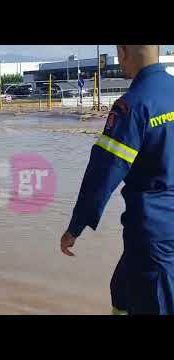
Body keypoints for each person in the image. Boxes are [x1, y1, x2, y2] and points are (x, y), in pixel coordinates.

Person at [60, 45, 174, 315]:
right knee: (120, 289)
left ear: (123, 52)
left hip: (155, 232)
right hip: (160, 233)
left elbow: (103, 173)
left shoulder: (132, 105)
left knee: (155, 301)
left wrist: (75, 226)